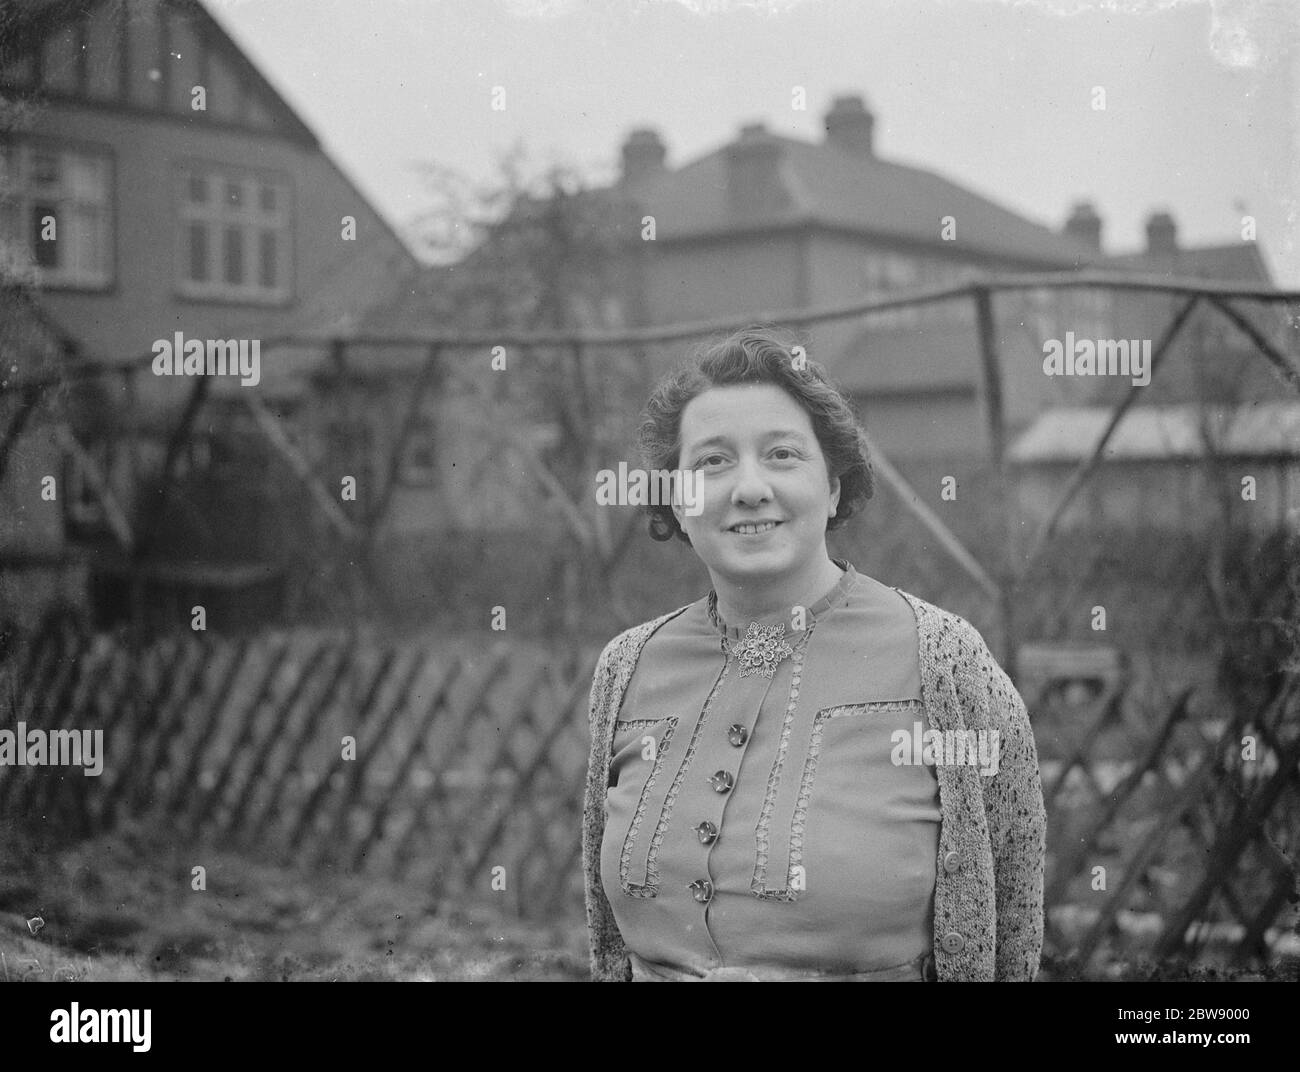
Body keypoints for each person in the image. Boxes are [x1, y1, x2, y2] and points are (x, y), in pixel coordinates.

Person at [581, 326, 1045, 982]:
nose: (748, 488)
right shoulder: (626, 669)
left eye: (781, 455)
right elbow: (607, 945)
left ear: (832, 485)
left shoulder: (945, 665)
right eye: (712, 462)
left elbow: (1012, 922)